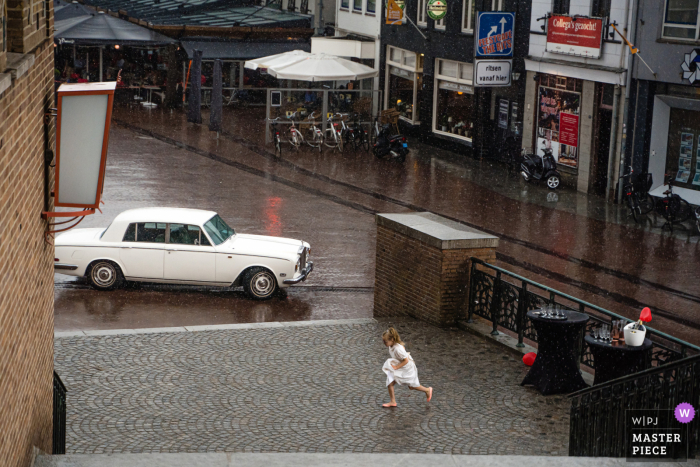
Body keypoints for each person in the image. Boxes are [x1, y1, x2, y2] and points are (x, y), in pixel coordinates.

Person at [381, 327, 433, 408]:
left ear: (392, 340)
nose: (384, 343)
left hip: (407, 368)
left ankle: (427, 390)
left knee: (412, 386)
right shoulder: (393, 346)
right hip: (402, 366)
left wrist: (396, 367)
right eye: (383, 341)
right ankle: (393, 401)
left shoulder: (397, 349)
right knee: (390, 383)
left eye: (385, 341)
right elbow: (402, 349)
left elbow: (406, 360)